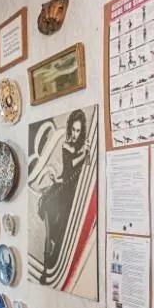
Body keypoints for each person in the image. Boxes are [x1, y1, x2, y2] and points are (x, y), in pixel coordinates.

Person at [38, 109, 89, 275]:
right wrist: (84, 153)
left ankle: (50, 267)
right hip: (59, 194)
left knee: (60, 234)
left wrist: (86, 153)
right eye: (73, 129)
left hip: (70, 195)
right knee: (49, 234)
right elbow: (71, 165)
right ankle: (45, 268)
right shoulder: (67, 145)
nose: (75, 134)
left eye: (78, 130)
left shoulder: (82, 147)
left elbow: (85, 167)